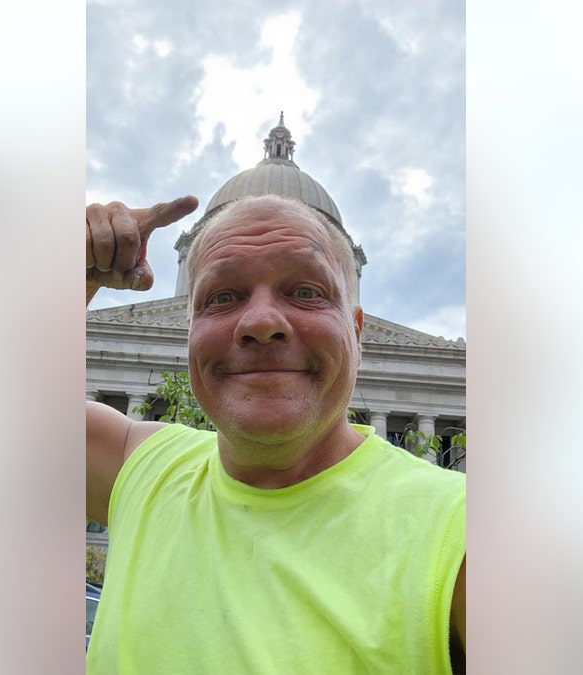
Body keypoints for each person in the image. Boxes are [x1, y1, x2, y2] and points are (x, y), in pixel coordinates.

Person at [85, 193, 466, 673]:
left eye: (305, 291)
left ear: (357, 328)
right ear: (189, 328)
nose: (262, 323)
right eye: (223, 296)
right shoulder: (140, 468)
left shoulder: (463, 531)